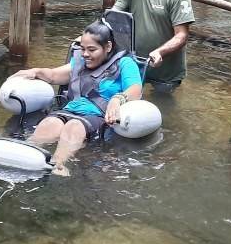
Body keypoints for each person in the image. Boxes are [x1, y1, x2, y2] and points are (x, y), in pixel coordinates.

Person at [10, 20, 143, 176]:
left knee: (74, 126)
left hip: (98, 115)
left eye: (92, 50)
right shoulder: (79, 62)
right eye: (83, 49)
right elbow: (53, 75)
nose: (85, 54)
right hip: (70, 109)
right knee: (49, 123)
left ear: (108, 47)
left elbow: (136, 89)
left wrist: (117, 99)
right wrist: (35, 72)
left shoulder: (125, 64)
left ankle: (58, 164)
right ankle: (24, 153)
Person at [113, 0, 194, 92]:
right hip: (135, 68)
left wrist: (159, 52)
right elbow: (110, 20)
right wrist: (88, 37)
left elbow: (182, 35)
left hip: (166, 74)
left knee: (162, 103)